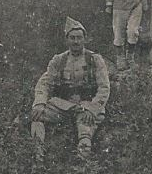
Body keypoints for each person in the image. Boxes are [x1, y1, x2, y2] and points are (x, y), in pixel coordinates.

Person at [31, 17, 111, 160]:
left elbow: (104, 88)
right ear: (66, 40)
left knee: (85, 133)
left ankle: (83, 168)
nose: (76, 41)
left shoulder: (94, 59)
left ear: (85, 39)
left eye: (79, 38)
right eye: (72, 38)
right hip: (64, 106)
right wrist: (39, 103)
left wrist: (92, 109)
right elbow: (45, 83)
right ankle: (38, 158)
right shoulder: (59, 60)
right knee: (37, 117)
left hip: (87, 106)